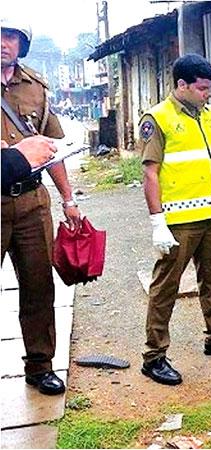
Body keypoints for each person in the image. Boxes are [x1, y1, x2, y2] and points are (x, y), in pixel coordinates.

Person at [139, 54, 211, 386]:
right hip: (178, 223)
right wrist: (157, 221)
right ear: (182, 85)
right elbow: (150, 174)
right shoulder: (157, 119)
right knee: (165, 288)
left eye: (210, 88)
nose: (208, 94)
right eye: (202, 88)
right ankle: (154, 357)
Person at [2, 19, 82, 396]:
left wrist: (69, 199)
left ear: (22, 45)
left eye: (11, 37)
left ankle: (40, 365)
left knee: (38, 285)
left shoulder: (36, 88)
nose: (4, 44)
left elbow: (53, 150)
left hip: (33, 202)